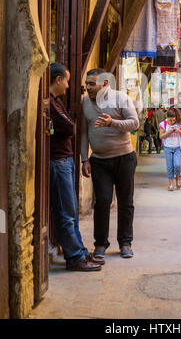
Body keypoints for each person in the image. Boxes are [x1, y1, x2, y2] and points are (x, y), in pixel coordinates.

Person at [81, 68, 139, 259]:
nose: (87, 87)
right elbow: (83, 133)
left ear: (104, 84)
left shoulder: (120, 98)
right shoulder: (84, 103)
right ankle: (100, 244)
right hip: (99, 160)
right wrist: (84, 159)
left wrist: (112, 122)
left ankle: (125, 243)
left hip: (124, 158)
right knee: (103, 202)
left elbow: (134, 123)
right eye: (87, 84)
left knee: (125, 202)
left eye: (91, 84)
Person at [49, 63, 102, 272]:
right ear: (59, 80)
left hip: (64, 160)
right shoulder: (51, 104)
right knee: (66, 212)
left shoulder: (56, 102)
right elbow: (70, 127)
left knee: (70, 211)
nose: (69, 86)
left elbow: (69, 126)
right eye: (68, 80)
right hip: (59, 161)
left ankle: (78, 251)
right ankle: (74, 257)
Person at [159, 108, 181, 191]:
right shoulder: (163, 124)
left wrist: (179, 131)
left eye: (174, 119)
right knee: (170, 166)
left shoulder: (179, 123)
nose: (172, 121)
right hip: (167, 148)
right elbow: (161, 136)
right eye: (170, 119)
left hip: (177, 147)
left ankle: (178, 178)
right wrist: (169, 132)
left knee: (177, 165)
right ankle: (171, 183)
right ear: (167, 117)